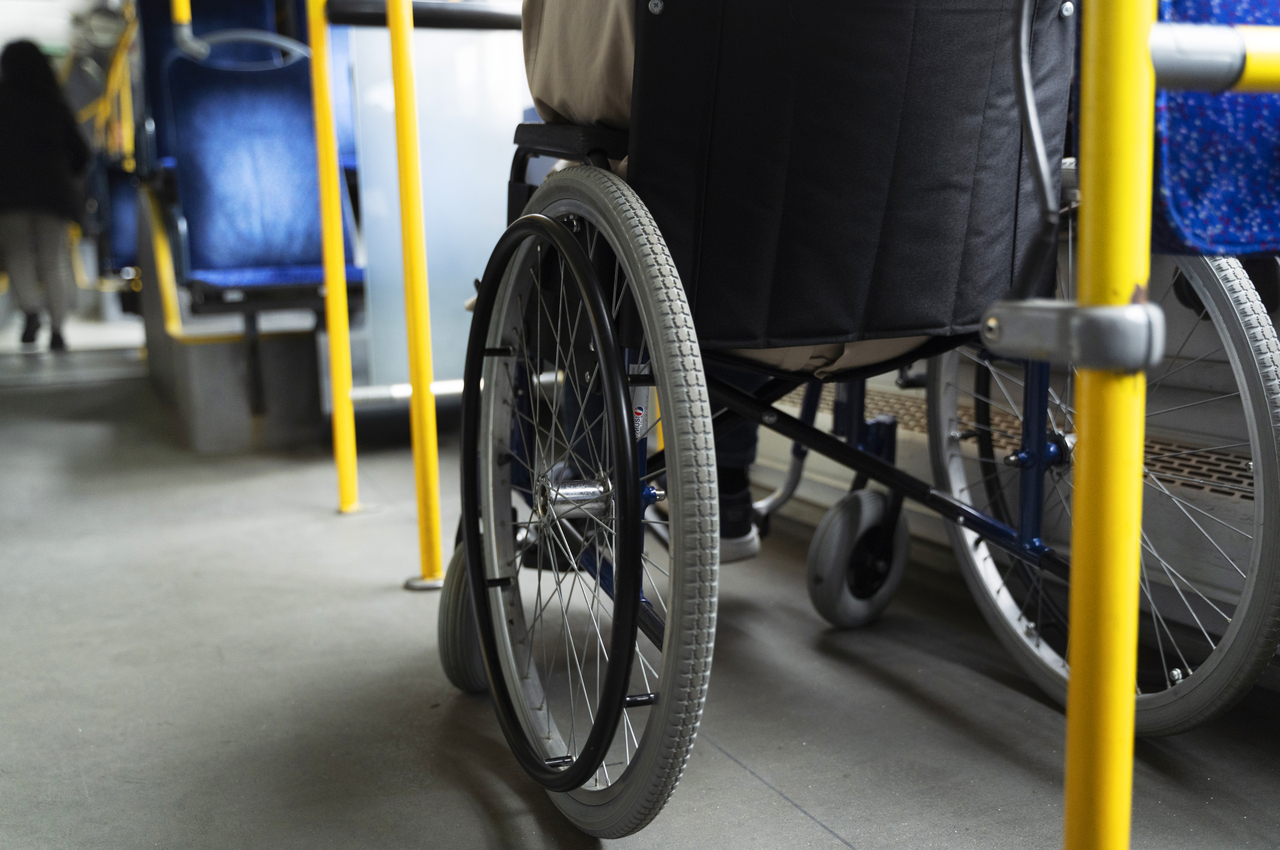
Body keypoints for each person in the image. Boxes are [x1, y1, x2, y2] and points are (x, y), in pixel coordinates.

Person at [0, 39, 91, 352]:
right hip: (53, 192)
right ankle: (58, 329)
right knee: (53, 260)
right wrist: (70, 180)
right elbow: (80, 151)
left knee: (18, 257)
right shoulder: (53, 101)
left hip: (9, 195)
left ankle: (30, 311)